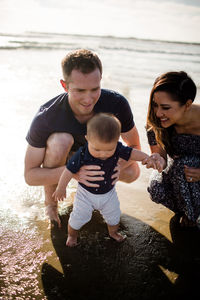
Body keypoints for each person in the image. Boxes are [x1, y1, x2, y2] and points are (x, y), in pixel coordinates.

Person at [24, 49, 141, 228]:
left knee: (133, 172)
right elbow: (30, 176)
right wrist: (74, 171)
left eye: (95, 89)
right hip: (65, 157)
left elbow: (134, 145)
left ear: (101, 80)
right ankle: (51, 204)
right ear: (65, 86)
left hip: (101, 155)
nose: (88, 99)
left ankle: (95, 197)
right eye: (80, 90)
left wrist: (116, 166)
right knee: (59, 141)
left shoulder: (116, 104)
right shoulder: (47, 117)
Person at [53, 113, 161, 246]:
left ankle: (113, 233)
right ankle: (72, 235)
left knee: (114, 216)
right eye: (97, 149)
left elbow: (133, 153)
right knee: (78, 218)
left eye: (109, 150)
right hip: (85, 195)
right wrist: (61, 187)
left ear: (116, 142)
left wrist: (146, 158)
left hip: (108, 194)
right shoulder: (82, 153)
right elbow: (68, 170)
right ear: (88, 139)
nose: (103, 154)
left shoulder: (118, 148)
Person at [143, 71, 200, 228]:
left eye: (165, 107)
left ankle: (192, 216)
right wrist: (157, 160)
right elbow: (160, 155)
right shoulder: (155, 123)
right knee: (156, 188)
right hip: (181, 175)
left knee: (185, 164)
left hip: (193, 172)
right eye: (155, 105)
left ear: (187, 105)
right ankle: (187, 213)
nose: (158, 113)